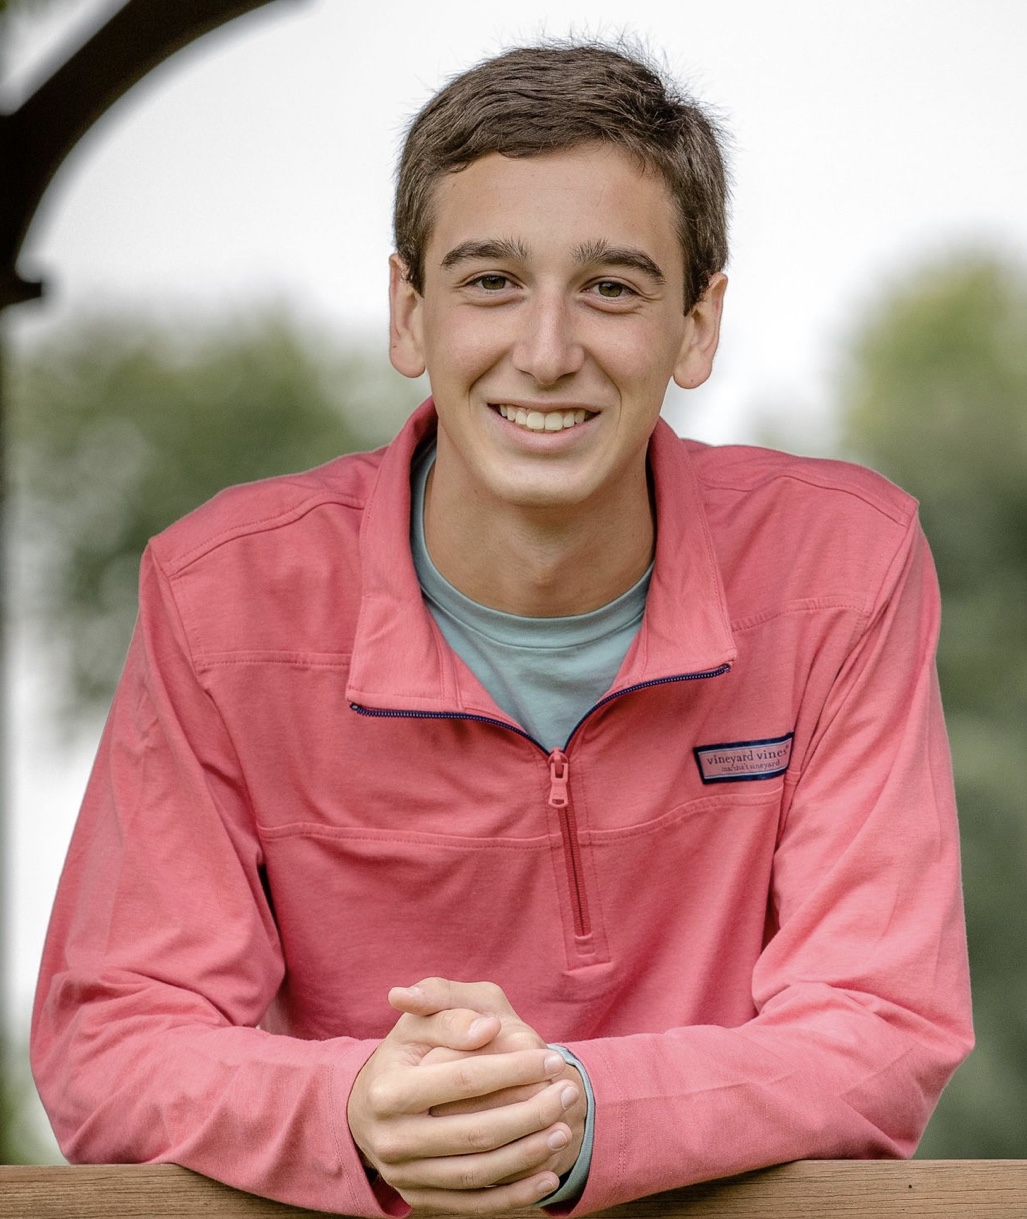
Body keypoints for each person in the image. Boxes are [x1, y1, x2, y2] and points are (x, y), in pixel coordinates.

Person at [31, 40, 972, 1218]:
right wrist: (354, 1112)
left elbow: (883, 1025)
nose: (544, 350)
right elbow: (111, 1042)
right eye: (489, 282)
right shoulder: (221, 592)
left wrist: (579, 1110)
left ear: (695, 326)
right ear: (407, 312)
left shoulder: (845, 564)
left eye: (612, 287)